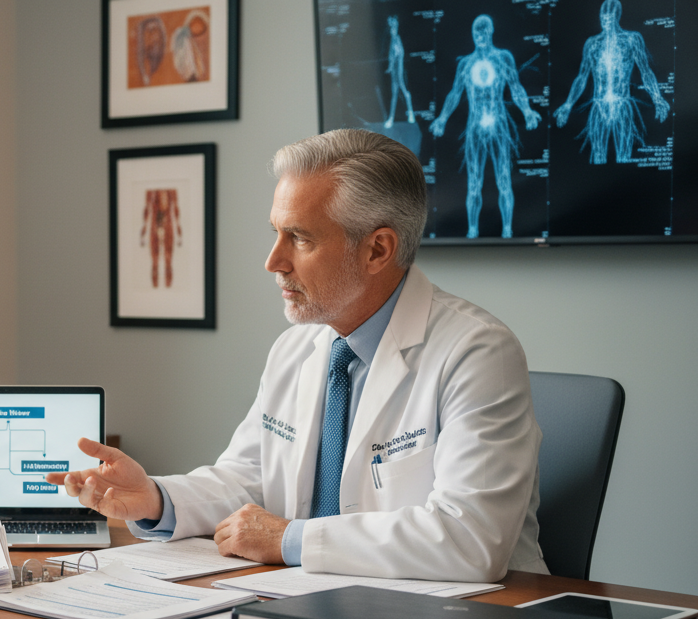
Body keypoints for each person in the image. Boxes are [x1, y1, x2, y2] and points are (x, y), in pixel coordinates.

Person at [46, 129, 547, 583]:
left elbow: (469, 540)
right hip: (318, 597)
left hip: (471, 618)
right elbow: (247, 480)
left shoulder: (478, 353)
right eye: (276, 232)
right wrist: (154, 498)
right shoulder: (299, 348)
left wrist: (289, 539)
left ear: (377, 250)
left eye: (299, 238)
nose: (273, 261)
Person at [430, 14, 541, 238]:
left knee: (503, 179)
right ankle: (472, 231)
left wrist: (527, 111)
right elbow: (455, 93)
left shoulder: (503, 58)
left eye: (483, 32)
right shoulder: (466, 63)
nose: (479, 37)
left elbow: (516, 87)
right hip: (475, 127)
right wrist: (442, 118)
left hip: (498, 123)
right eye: (476, 33)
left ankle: (508, 230)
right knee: (474, 182)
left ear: (490, 32)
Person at [553, 0, 669, 165]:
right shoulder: (592, 43)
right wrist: (567, 105)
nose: (605, 22)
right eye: (603, 18)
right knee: (597, 157)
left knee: (625, 159)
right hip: (598, 105)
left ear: (617, 18)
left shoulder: (632, 39)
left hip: (622, 103)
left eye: (609, 18)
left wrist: (657, 98)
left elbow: (645, 71)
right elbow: (582, 77)